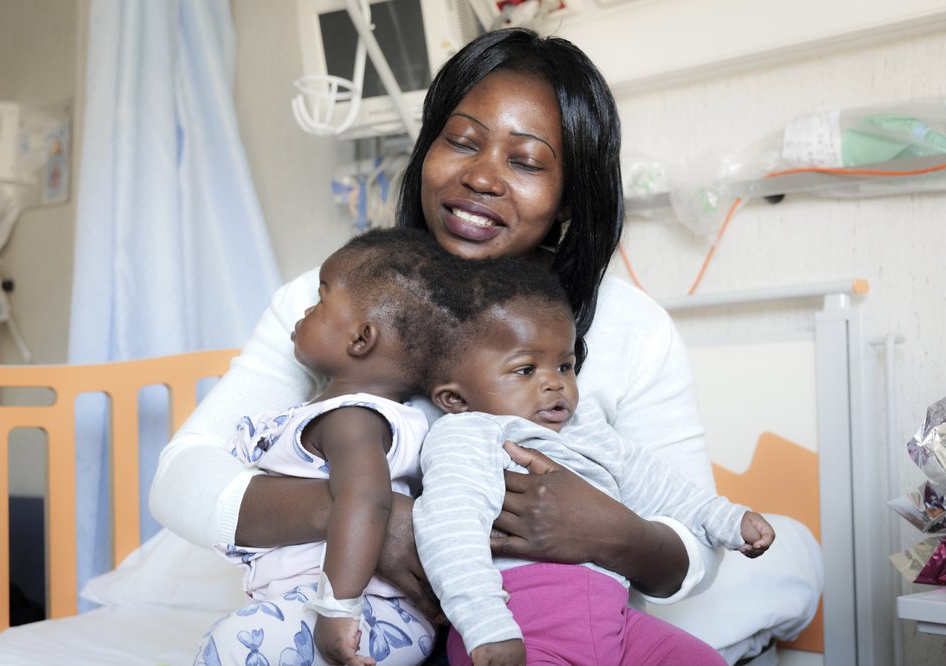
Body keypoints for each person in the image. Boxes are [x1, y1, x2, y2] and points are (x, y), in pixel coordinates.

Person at [152, 27, 820, 664]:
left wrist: (615, 532)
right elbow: (182, 478)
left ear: (567, 200)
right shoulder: (338, 300)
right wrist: (367, 517)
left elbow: (694, 545)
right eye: (462, 142)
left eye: (526, 161)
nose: (482, 176)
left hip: (551, 620)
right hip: (372, 624)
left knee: (765, 576)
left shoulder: (632, 329)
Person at [412, 256, 774, 666]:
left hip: (614, 623)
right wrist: (486, 625)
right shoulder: (469, 434)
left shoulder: (591, 434)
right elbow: (447, 530)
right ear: (454, 399)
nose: (555, 382)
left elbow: (666, 490)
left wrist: (728, 519)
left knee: (701, 660)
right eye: (526, 369)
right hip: (521, 628)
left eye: (565, 365)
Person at [194, 229, 446, 666]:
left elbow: (367, 500)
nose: (308, 309)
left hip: (367, 613)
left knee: (230, 646)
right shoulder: (360, 414)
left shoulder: (352, 418)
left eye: (322, 299)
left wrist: (338, 609)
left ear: (361, 339)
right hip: (358, 610)